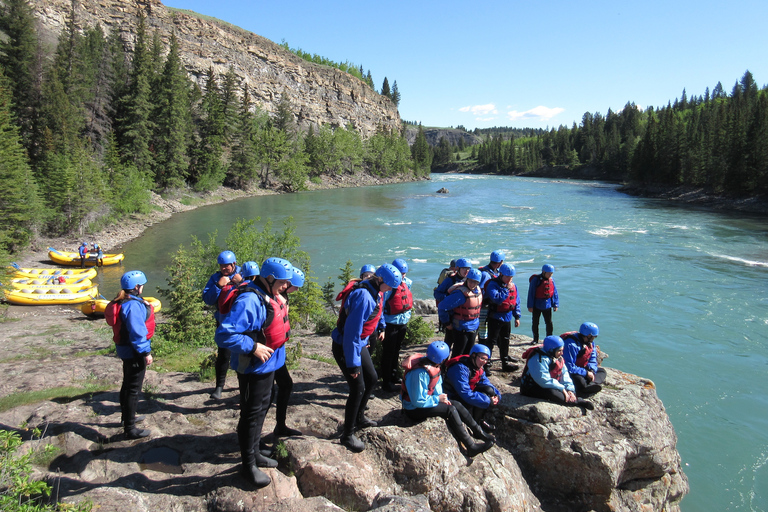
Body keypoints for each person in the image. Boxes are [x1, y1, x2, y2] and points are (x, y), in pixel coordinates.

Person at [214, 257, 293, 488]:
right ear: (269, 279)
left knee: (262, 407)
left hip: (268, 366)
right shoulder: (250, 300)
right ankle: (247, 465)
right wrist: (253, 347)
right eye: (283, 282)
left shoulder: (269, 294)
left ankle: (255, 451)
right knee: (250, 414)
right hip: (253, 367)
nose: (286, 287)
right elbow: (224, 335)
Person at [332, 263, 401, 452]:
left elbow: (377, 313)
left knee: (372, 378)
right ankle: (347, 435)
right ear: (380, 280)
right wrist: (353, 365)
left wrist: (381, 327)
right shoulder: (363, 296)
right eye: (389, 286)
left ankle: (360, 418)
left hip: (359, 343)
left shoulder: (378, 290)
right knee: (358, 387)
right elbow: (351, 334)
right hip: (346, 345)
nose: (391, 290)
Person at [401, 341, 494, 457]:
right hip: (413, 409)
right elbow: (418, 401)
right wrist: (437, 399)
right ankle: (471, 446)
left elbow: (437, 385)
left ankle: (478, 431)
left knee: (457, 405)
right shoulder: (419, 373)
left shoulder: (433, 365)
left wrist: (442, 398)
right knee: (450, 410)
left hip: (425, 401)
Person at [106, 271, 156, 440]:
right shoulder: (133, 306)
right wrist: (146, 353)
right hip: (134, 351)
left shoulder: (122, 301)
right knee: (133, 389)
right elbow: (137, 333)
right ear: (136, 287)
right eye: (141, 285)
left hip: (125, 350)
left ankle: (127, 417)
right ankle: (130, 429)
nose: (142, 287)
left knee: (127, 385)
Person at [270, 265, 305, 438]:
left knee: (285, 385)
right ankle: (254, 442)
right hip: (267, 354)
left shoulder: (281, 297)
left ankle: (280, 426)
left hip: (276, 352)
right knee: (268, 395)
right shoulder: (272, 298)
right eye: (295, 287)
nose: (296, 290)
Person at [203, 251, 243, 400]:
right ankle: (219, 386)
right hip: (223, 321)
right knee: (223, 355)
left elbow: (255, 292)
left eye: (226, 266)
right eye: (222, 266)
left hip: (241, 322)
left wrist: (241, 282)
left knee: (243, 353)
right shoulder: (215, 278)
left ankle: (243, 386)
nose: (224, 268)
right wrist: (218, 286)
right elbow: (207, 299)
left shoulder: (244, 274)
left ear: (234, 264)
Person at [520, 335, 594, 410]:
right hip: (531, 387)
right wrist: (562, 389)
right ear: (551, 350)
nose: (562, 353)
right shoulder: (538, 359)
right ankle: (577, 401)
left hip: (549, 383)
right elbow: (543, 380)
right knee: (552, 393)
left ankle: (573, 396)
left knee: (563, 391)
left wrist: (570, 389)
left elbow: (564, 374)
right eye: (559, 351)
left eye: (562, 350)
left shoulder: (557, 357)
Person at [444, 344, 501, 431]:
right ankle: (474, 426)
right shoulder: (460, 368)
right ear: (473, 356)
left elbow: (485, 383)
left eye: (486, 359)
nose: (484, 362)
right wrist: (488, 400)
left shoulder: (478, 367)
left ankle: (479, 421)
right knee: (481, 399)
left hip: (466, 393)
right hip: (454, 396)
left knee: (488, 391)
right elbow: (465, 393)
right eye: (482, 358)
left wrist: (496, 395)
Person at [380, 258, 414, 393]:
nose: (403, 276)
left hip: (402, 322)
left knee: (396, 350)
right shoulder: (388, 287)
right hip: (390, 323)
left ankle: (394, 375)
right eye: (401, 273)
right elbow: (381, 307)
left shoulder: (408, 283)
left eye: (404, 273)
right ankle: (386, 381)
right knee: (388, 353)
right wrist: (381, 326)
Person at [483, 263, 522, 372]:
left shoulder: (513, 286)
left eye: (511, 277)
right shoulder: (493, 285)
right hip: (495, 317)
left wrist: (517, 316)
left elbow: (516, 301)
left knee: (505, 340)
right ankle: (486, 364)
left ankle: (505, 362)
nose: (510, 279)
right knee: (491, 341)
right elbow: (497, 299)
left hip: (507, 317)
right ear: (501, 274)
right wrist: (506, 289)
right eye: (507, 277)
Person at [438, 267, 483, 357]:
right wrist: (447, 323)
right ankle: (451, 369)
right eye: (470, 281)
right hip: (461, 328)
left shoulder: (477, 290)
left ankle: (465, 370)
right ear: (467, 279)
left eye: (475, 282)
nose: (472, 284)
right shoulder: (460, 294)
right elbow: (442, 307)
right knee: (458, 354)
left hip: (473, 327)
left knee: (468, 354)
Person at [562, 322, 606, 397]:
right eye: (592, 337)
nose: (593, 339)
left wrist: (591, 370)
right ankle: (586, 387)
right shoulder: (571, 345)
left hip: (582, 368)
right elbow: (569, 367)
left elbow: (592, 358)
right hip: (570, 371)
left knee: (602, 371)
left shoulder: (590, 343)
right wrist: (586, 373)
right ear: (588, 335)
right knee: (579, 380)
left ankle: (591, 384)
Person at [477, 250, 505, 349]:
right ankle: (482, 348)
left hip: (491, 305)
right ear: (500, 262)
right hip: (484, 305)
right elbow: (481, 291)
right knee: (483, 329)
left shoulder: (495, 272)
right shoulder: (486, 274)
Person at [527, 264, 559, 345]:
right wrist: (530, 306)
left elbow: (554, 293)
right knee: (535, 323)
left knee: (549, 323)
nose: (550, 275)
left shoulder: (552, 280)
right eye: (549, 273)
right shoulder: (536, 280)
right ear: (543, 272)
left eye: (551, 273)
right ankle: (535, 339)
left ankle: (549, 338)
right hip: (537, 305)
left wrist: (555, 304)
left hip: (547, 305)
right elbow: (531, 293)